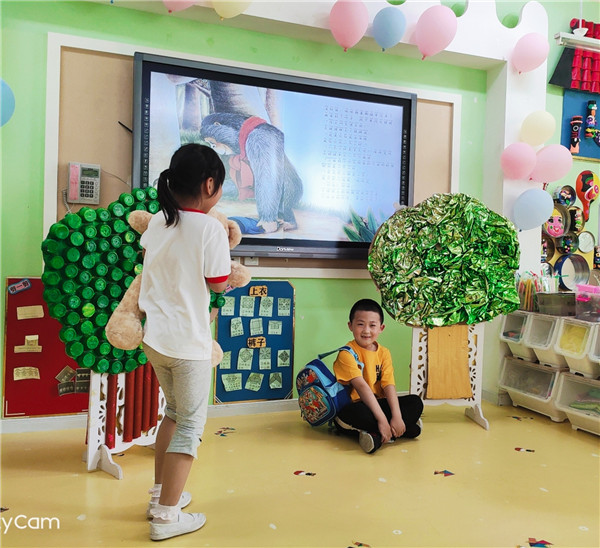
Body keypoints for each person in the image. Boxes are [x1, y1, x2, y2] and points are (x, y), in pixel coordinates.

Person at [138, 144, 231, 541]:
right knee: (190, 424)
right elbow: (218, 283)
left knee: (173, 413)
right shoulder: (210, 229)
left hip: (156, 339)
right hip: (187, 344)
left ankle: (161, 495)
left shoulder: (160, 221)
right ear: (209, 185)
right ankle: (166, 517)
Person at [333, 298, 423, 454]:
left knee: (415, 402)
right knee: (359, 414)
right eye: (360, 324)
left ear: (381, 328)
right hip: (356, 406)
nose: (366, 331)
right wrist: (382, 420)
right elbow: (362, 387)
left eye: (372, 325)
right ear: (350, 326)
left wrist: (397, 416)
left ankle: (377, 434)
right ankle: (399, 429)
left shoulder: (384, 353)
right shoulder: (346, 354)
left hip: (377, 403)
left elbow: (389, 385)